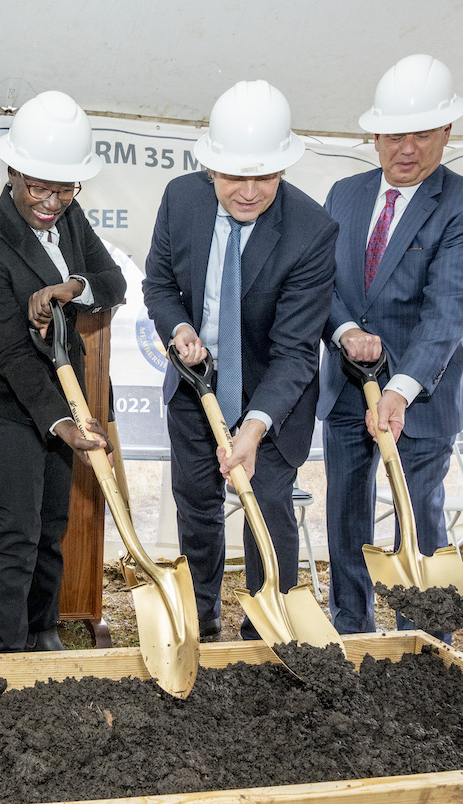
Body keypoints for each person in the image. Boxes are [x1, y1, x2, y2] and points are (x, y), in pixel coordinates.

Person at [142, 81, 337, 642]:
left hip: (270, 397)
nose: (249, 191)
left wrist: (253, 426)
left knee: (267, 510)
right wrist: (179, 328)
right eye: (234, 177)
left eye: (265, 177)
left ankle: (267, 635)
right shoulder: (180, 200)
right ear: (209, 169)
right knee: (197, 507)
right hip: (194, 385)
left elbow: (296, 351)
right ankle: (201, 625)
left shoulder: (311, 231)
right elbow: (159, 284)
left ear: (284, 168)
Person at [317, 54, 463, 639]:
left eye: (424, 134)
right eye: (396, 134)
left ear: (448, 132)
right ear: (374, 135)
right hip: (345, 387)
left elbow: (450, 309)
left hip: (421, 395)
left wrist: (399, 387)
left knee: (418, 514)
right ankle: (352, 629)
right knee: (347, 512)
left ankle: (422, 647)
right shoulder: (342, 196)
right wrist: (345, 332)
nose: (408, 148)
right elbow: (320, 284)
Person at [0, 92, 127, 654]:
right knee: (17, 531)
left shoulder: (70, 218)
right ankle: (7, 654)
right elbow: (10, 355)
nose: (51, 201)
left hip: (63, 392)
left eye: (65, 187)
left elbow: (114, 283)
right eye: (39, 187)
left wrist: (70, 287)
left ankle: (42, 628)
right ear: (12, 172)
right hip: (3, 404)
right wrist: (62, 424)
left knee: (53, 522)